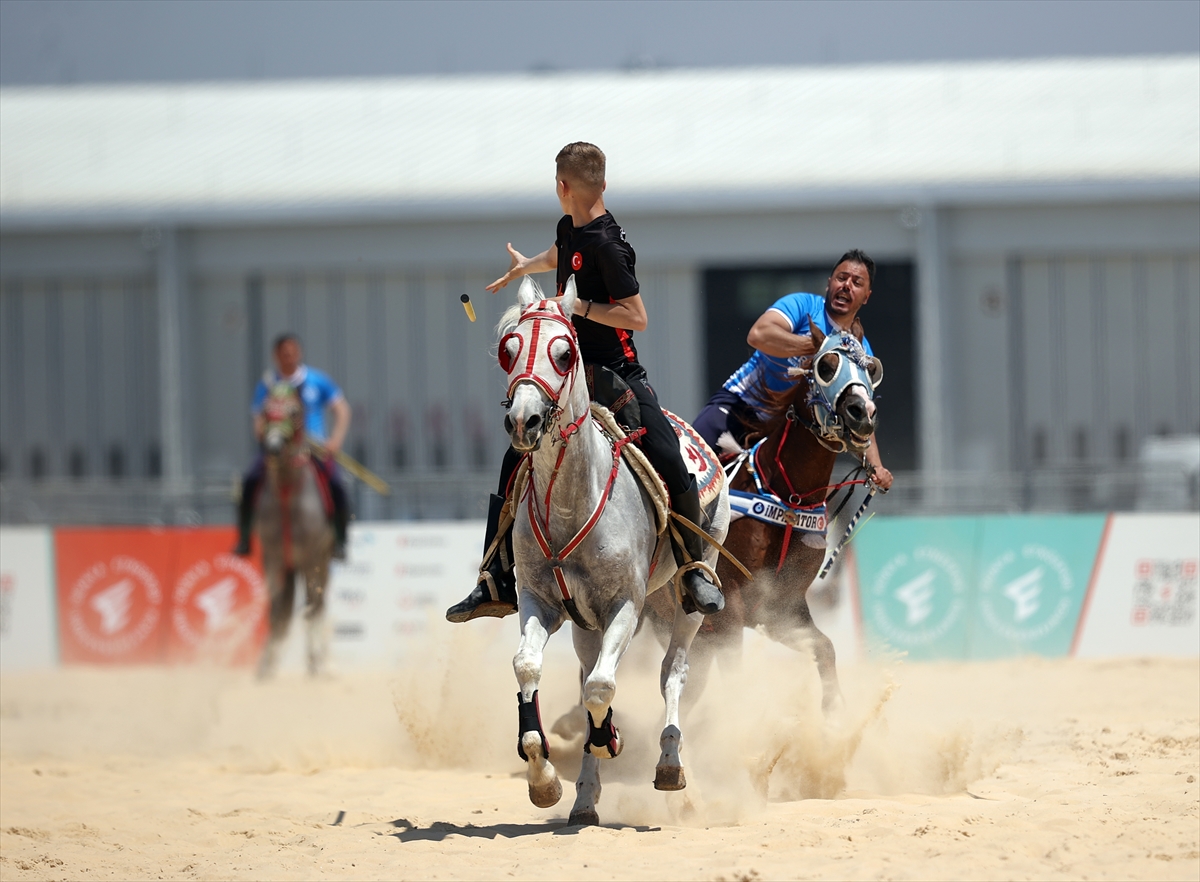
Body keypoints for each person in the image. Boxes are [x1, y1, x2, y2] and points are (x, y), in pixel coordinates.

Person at [446, 141, 724, 623]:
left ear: (562, 186)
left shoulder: (610, 245)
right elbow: (562, 253)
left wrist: (579, 309)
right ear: (600, 183)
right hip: (568, 373)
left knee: (666, 452)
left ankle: (694, 568)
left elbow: (637, 316)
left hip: (616, 373)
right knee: (516, 456)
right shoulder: (570, 228)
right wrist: (527, 266)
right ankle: (495, 578)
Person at [692, 249, 894, 491]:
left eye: (856, 282)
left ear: (866, 297)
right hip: (740, 407)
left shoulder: (859, 349)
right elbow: (758, 335)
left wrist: (876, 467)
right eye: (841, 278)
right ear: (829, 283)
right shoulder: (803, 305)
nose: (847, 285)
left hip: (787, 433)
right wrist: (817, 348)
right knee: (685, 464)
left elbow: (860, 412)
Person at [233, 333, 353, 559]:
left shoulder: (317, 381)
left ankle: (340, 539)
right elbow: (258, 419)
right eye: (284, 353)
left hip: (312, 447)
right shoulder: (268, 385)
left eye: (292, 352)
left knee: (337, 484)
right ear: (276, 356)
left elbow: (342, 410)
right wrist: (264, 434)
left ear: (299, 353)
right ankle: (244, 538)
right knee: (249, 481)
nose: (289, 357)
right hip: (276, 448)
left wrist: (335, 439)